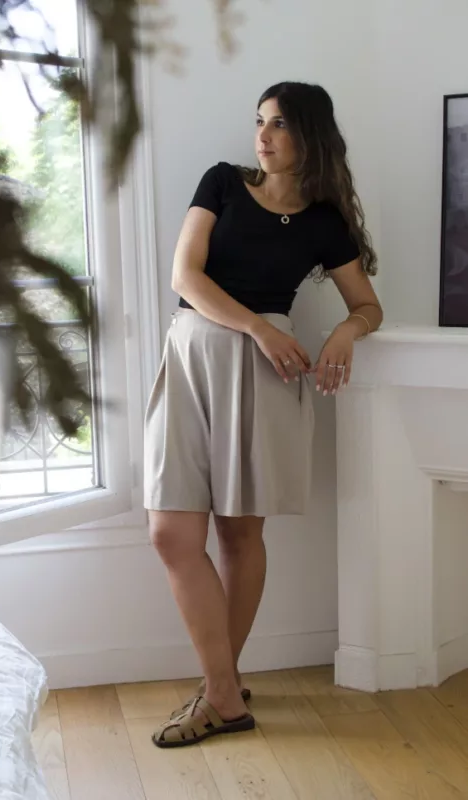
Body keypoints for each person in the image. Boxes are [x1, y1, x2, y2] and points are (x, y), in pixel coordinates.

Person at [144, 81, 383, 749]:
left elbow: (368, 306)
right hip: (196, 358)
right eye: (260, 121)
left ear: (309, 134)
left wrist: (345, 333)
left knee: (239, 535)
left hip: (264, 380)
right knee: (171, 535)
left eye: (278, 124)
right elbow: (186, 278)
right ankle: (223, 691)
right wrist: (258, 326)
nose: (263, 135)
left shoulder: (324, 222)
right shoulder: (222, 182)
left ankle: (220, 692)